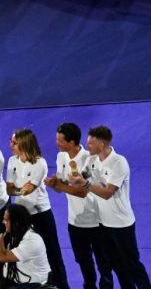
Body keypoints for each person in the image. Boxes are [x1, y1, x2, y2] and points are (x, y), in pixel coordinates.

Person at [66, 126, 151, 289]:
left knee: (132, 264)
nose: (87, 146)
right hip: (103, 224)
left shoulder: (119, 162)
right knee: (117, 264)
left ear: (101, 145)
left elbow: (107, 193)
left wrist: (85, 183)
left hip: (121, 224)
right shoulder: (91, 160)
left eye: (90, 143)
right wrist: (75, 177)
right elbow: (83, 177)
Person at [44, 123, 113, 289]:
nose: (56, 143)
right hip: (75, 221)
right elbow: (63, 185)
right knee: (83, 261)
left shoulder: (90, 158)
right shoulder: (61, 157)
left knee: (103, 262)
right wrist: (55, 184)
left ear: (72, 142)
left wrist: (60, 186)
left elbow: (83, 191)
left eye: (60, 140)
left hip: (97, 221)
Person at [6, 129, 69, 289]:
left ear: (24, 143)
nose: (10, 145)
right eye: (11, 142)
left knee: (53, 253)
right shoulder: (12, 161)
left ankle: (62, 285)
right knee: (23, 253)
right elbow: (9, 189)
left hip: (41, 214)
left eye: (14, 142)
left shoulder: (39, 163)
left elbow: (30, 188)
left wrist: (18, 190)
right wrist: (20, 190)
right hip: (22, 217)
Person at [0, 204, 51, 288]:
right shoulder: (13, 235)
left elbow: (1, 257)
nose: (3, 222)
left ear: (16, 222)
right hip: (15, 282)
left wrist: (1, 238)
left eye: (6, 220)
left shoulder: (32, 240)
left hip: (34, 285)